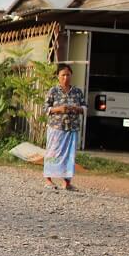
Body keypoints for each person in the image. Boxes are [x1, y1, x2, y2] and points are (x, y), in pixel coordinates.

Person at [43, 63, 86, 191]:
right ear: (58, 76)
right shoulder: (53, 91)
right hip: (56, 127)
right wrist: (58, 109)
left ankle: (67, 183)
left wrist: (77, 108)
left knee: (69, 155)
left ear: (71, 75)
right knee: (53, 153)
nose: (66, 77)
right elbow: (46, 108)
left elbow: (84, 107)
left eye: (68, 75)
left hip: (72, 128)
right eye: (63, 75)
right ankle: (48, 180)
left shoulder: (77, 92)